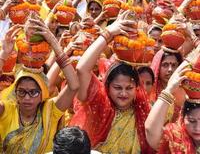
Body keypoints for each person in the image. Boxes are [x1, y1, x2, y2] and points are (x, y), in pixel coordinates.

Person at [69, 11, 154, 153]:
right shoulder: (98, 102)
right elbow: (82, 69)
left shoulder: (143, 110)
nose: (123, 93)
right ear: (107, 86)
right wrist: (108, 34)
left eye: (129, 88)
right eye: (117, 87)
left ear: (137, 88)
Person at [0, 20, 79, 153]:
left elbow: (74, 86)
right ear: (15, 93)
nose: (27, 98)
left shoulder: (50, 111)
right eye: (21, 92)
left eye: (33, 92)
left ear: (42, 93)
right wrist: (4, 54)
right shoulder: (7, 110)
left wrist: (55, 44)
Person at [145, 46, 200, 153]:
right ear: (182, 119)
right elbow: (151, 132)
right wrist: (169, 89)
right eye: (192, 121)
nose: (198, 128)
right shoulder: (175, 140)